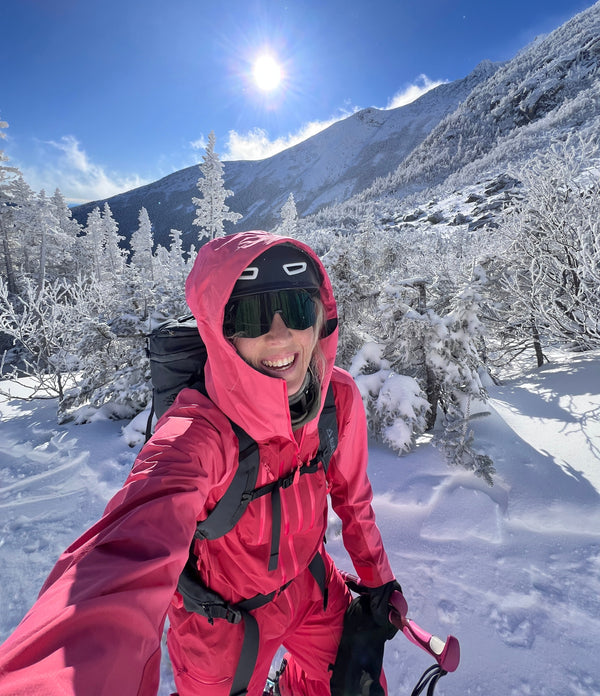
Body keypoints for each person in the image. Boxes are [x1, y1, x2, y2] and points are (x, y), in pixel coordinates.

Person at [0, 230, 400, 696]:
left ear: (319, 320)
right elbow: (123, 557)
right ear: (221, 333)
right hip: (221, 624)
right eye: (251, 317)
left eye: (295, 310)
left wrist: (379, 582)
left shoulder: (337, 397)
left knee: (359, 684)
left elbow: (354, 500)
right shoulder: (197, 432)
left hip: (310, 585)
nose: (279, 336)